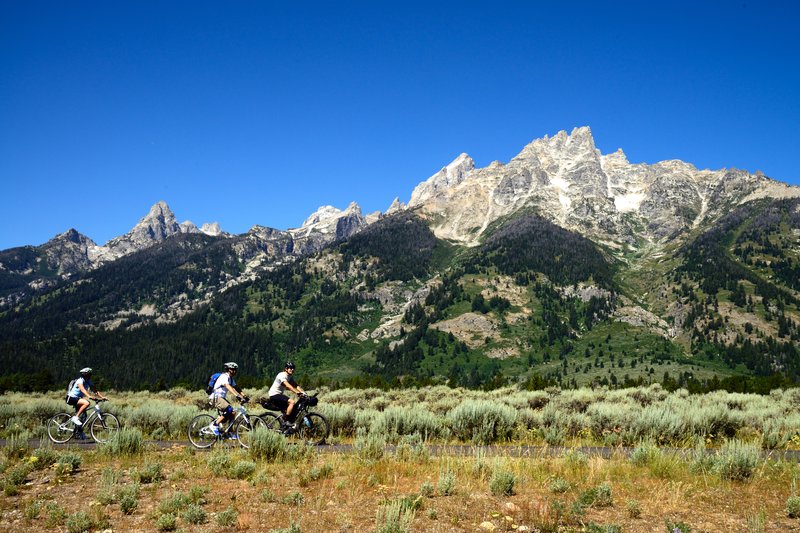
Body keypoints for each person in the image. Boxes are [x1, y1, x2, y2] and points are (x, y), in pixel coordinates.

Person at [208, 362, 248, 435]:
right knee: (229, 409)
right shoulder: (224, 377)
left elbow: (237, 388)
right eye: (233, 369)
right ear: (228, 369)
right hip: (215, 397)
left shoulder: (231, 379)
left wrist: (244, 396)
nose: (234, 371)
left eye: (235, 370)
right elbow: (228, 386)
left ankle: (230, 432)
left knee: (233, 412)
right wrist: (237, 396)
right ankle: (214, 425)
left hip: (221, 398)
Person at [66, 367, 108, 433]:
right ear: (85, 374)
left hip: (78, 399)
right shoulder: (80, 381)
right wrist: (89, 396)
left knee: (84, 417)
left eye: (90, 374)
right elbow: (82, 389)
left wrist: (102, 397)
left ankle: (79, 432)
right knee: (87, 403)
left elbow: (94, 390)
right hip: (71, 398)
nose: (90, 375)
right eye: (89, 374)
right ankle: (75, 417)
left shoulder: (88, 381)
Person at [268, 362, 305, 428]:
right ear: (286, 369)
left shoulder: (289, 376)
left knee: (291, 409)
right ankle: (286, 421)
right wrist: (297, 392)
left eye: (293, 368)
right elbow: (288, 386)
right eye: (290, 368)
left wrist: (304, 393)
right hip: (274, 395)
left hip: (279, 395)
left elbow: (296, 385)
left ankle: (285, 428)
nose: (292, 369)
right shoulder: (282, 375)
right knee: (292, 402)